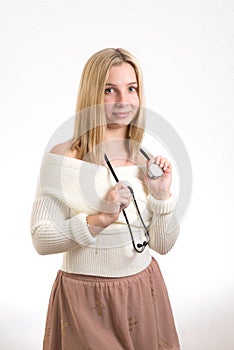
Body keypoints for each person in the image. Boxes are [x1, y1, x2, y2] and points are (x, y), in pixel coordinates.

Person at [31, 48, 181, 350]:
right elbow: (40, 238)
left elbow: (162, 245)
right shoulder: (64, 158)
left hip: (143, 290)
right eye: (109, 90)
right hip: (84, 297)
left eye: (131, 88)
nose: (123, 101)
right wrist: (99, 219)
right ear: (91, 94)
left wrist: (162, 197)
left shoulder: (144, 158)